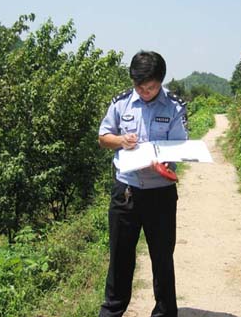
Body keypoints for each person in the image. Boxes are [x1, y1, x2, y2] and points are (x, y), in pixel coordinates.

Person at [98, 50, 188, 317]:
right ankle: (112, 312)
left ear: (160, 81)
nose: (146, 92)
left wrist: (161, 160)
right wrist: (121, 141)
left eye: (151, 87)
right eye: (140, 87)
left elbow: (180, 147)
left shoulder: (174, 105)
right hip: (125, 192)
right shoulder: (121, 103)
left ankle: (164, 312)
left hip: (160, 194)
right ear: (133, 82)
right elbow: (103, 137)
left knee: (162, 259)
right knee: (120, 259)